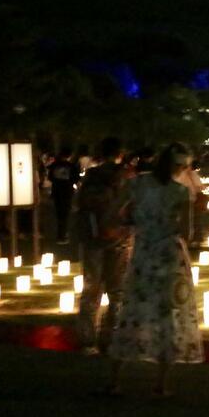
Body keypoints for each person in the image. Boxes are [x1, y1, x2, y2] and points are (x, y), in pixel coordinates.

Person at [103, 143, 204, 396]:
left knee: (133, 310)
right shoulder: (180, 192)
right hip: (169, 254)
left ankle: (115, 380)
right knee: (168, 313)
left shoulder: (136, 184)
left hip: (143, 254)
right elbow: (187, 232)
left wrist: (131, 225)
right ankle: (161, 383)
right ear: (179, 166)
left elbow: (113, 212)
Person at [76, 137, 134, 355]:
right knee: (117, 290)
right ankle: (112, 338)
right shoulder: (128, 176)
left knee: (91, 288)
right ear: (120, 153)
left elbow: (81, 203)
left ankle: (87, 340)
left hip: (93, 236)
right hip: (120, 236)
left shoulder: (92, 176)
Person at [47, 148, 80, 244]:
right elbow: (75, 178)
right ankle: (63, 234)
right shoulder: (71, 166)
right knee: (65, 213)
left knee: (58, 213)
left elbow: (50, 177)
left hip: (57, 191)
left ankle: (60, 234)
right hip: (67, 191)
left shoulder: (54, 165)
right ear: (69, 155)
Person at [175, 158, 205, 246]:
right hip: (187, 199)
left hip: (188, 199)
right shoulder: (187, 174)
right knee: (189, 220)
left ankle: (191, 238)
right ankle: (190, 238)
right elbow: (199, 186)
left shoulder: (185, 174)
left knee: (189, 220)